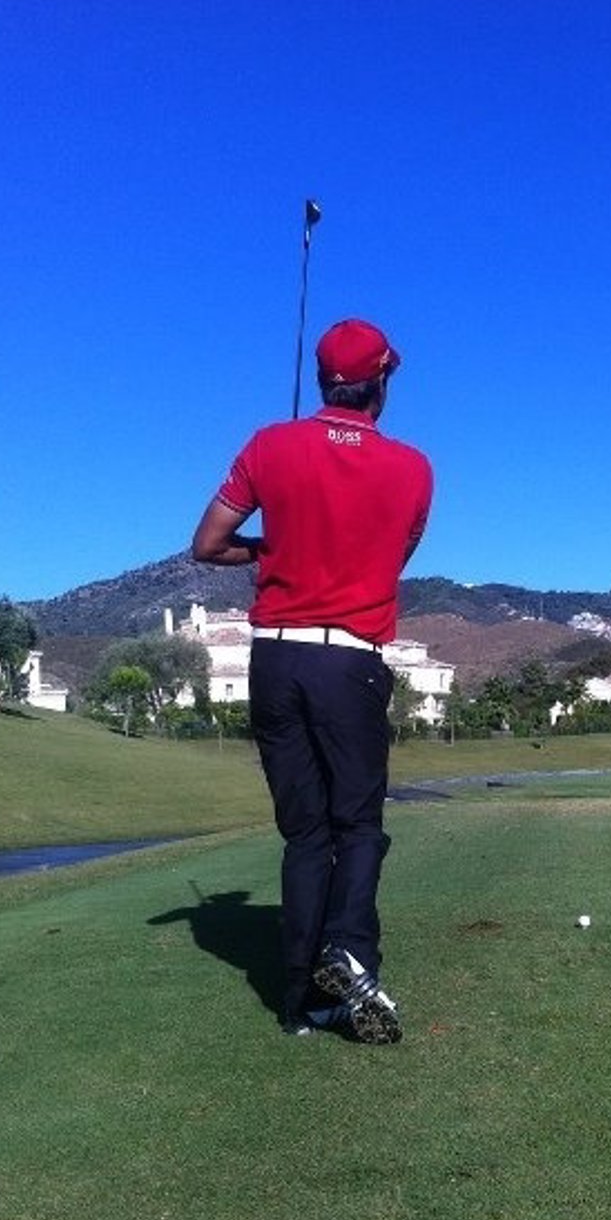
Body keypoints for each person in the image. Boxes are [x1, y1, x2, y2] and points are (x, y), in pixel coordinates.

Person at [192, 319, 433, 1043]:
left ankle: (300, 1004)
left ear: (325, 380)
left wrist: (270, 548)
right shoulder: (413, 468)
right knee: (356, 825)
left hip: (274, 662)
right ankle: (351, 960)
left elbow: (207, 544)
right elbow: (392, 559)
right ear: (380, 382)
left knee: (304, 834)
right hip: (349, 663)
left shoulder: (269, 444)